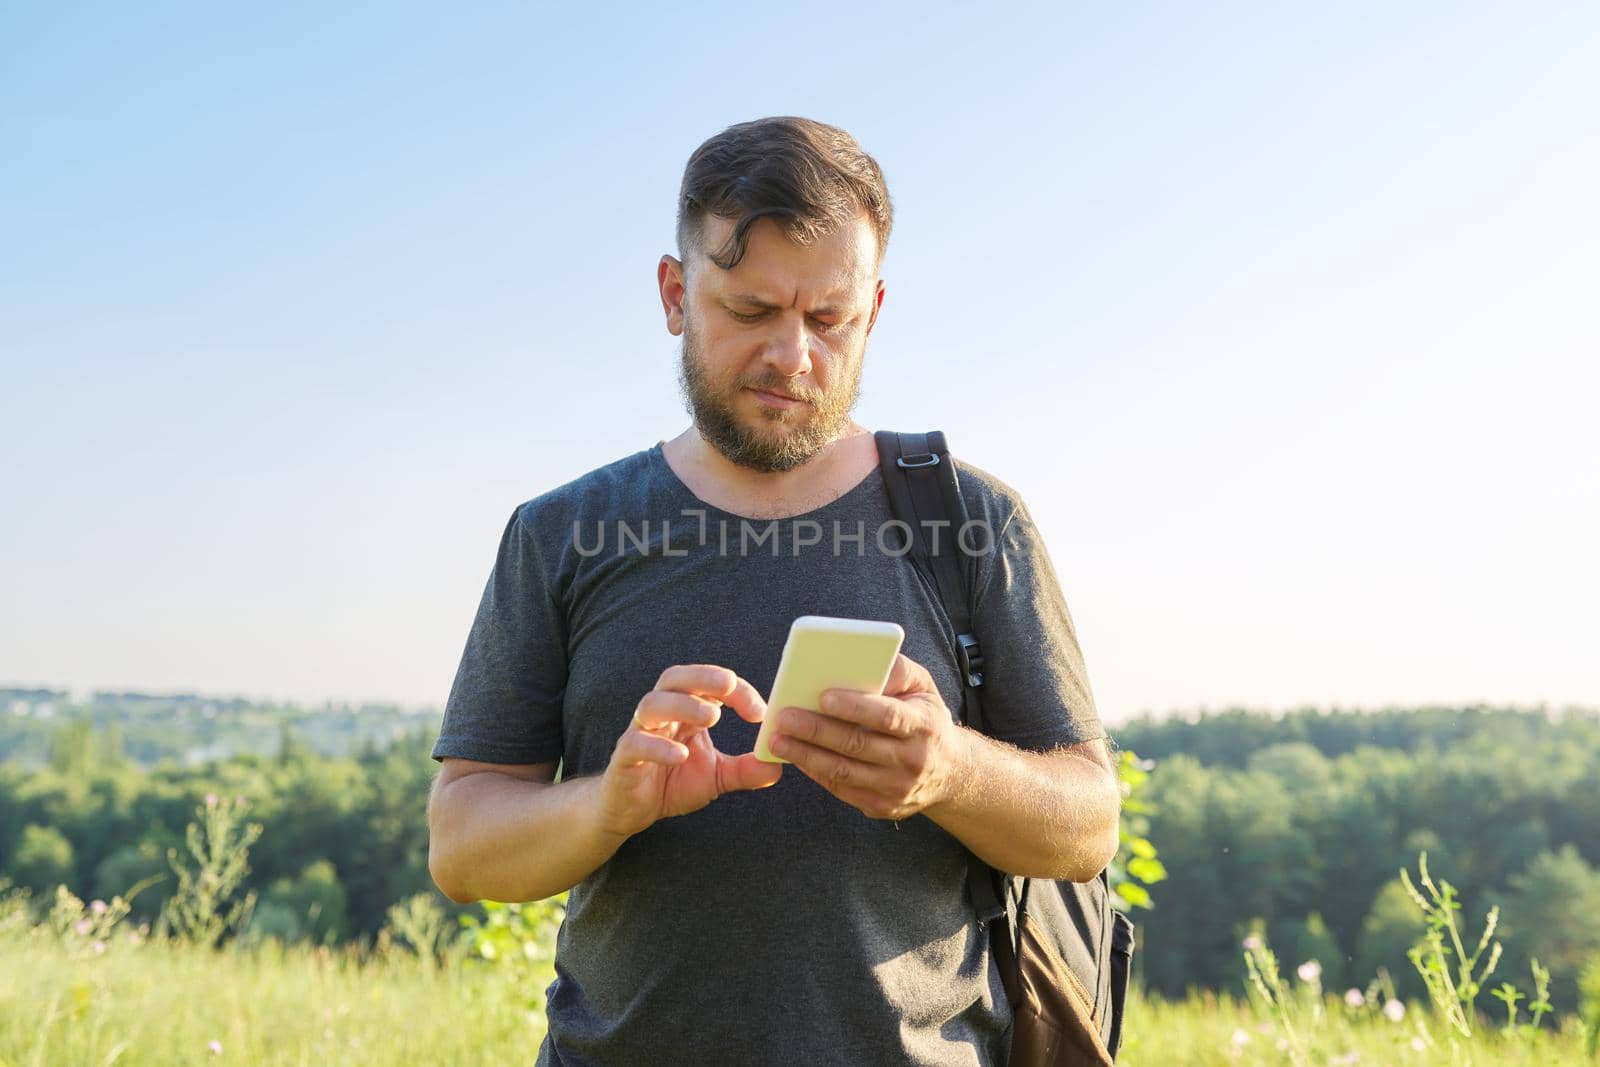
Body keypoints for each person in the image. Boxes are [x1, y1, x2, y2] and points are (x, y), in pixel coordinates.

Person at [426, 115, 1121, 1067]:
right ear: (675, 295)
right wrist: (610, 806)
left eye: (828, 318)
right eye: (751, 311)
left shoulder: (971, 520)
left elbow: (1088, 825)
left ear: (872, 309)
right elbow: (462, 844)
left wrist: (950, 769)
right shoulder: (560, 534)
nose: (793, 355)